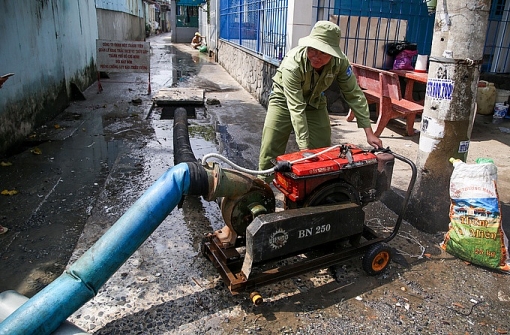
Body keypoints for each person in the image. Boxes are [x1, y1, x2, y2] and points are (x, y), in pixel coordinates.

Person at [258, 21, 382, 179]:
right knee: (271, 145)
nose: (316, 57)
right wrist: (303, 148)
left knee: (322, 149)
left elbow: (354, 94)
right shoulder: (292, 65)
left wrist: (369, 132)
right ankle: (262, 188)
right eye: (312, 50)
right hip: (284, 99)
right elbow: (296, 108)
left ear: (333, 52)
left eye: (323, 52)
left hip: (315, 100)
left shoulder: (340, 62)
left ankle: (315, 189)